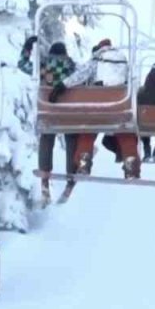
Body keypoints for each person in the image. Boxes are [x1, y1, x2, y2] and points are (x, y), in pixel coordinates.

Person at [71, 40, 141, 178]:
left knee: (87, 132)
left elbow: (81, 75)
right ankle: (131, 166)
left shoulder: (97, 58)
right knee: (125, 133)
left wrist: (63, 84)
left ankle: (84, 164)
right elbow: (132, 80)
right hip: (119, 102)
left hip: (98, 102)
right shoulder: (122, 59)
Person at [38, 41, 92, 204]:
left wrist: (27, 49)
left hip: (49, 111)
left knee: (47, 140)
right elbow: (83, 78)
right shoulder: (71, 66)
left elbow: (24, 66)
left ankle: (44, 178)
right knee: (71, 142)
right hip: (68, 113)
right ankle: (71, 180)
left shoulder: (43, 66)